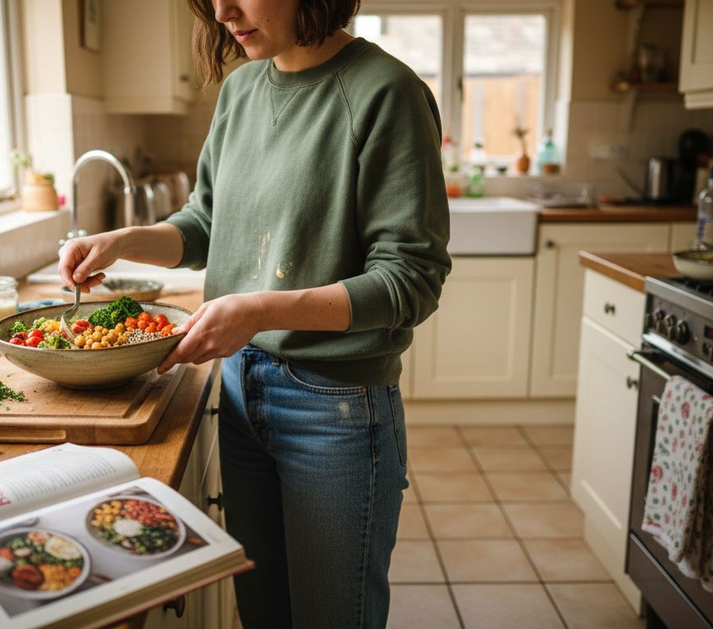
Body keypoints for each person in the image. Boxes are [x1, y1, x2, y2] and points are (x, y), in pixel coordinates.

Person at [58, 1, 450, 626]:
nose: (222, 10)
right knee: (262, 615)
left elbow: (411, 280)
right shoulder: (241, 90)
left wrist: (258, 310)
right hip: (240, 390)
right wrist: (126, 239)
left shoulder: (387, 93)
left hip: (334, 409)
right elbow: (208, 223)